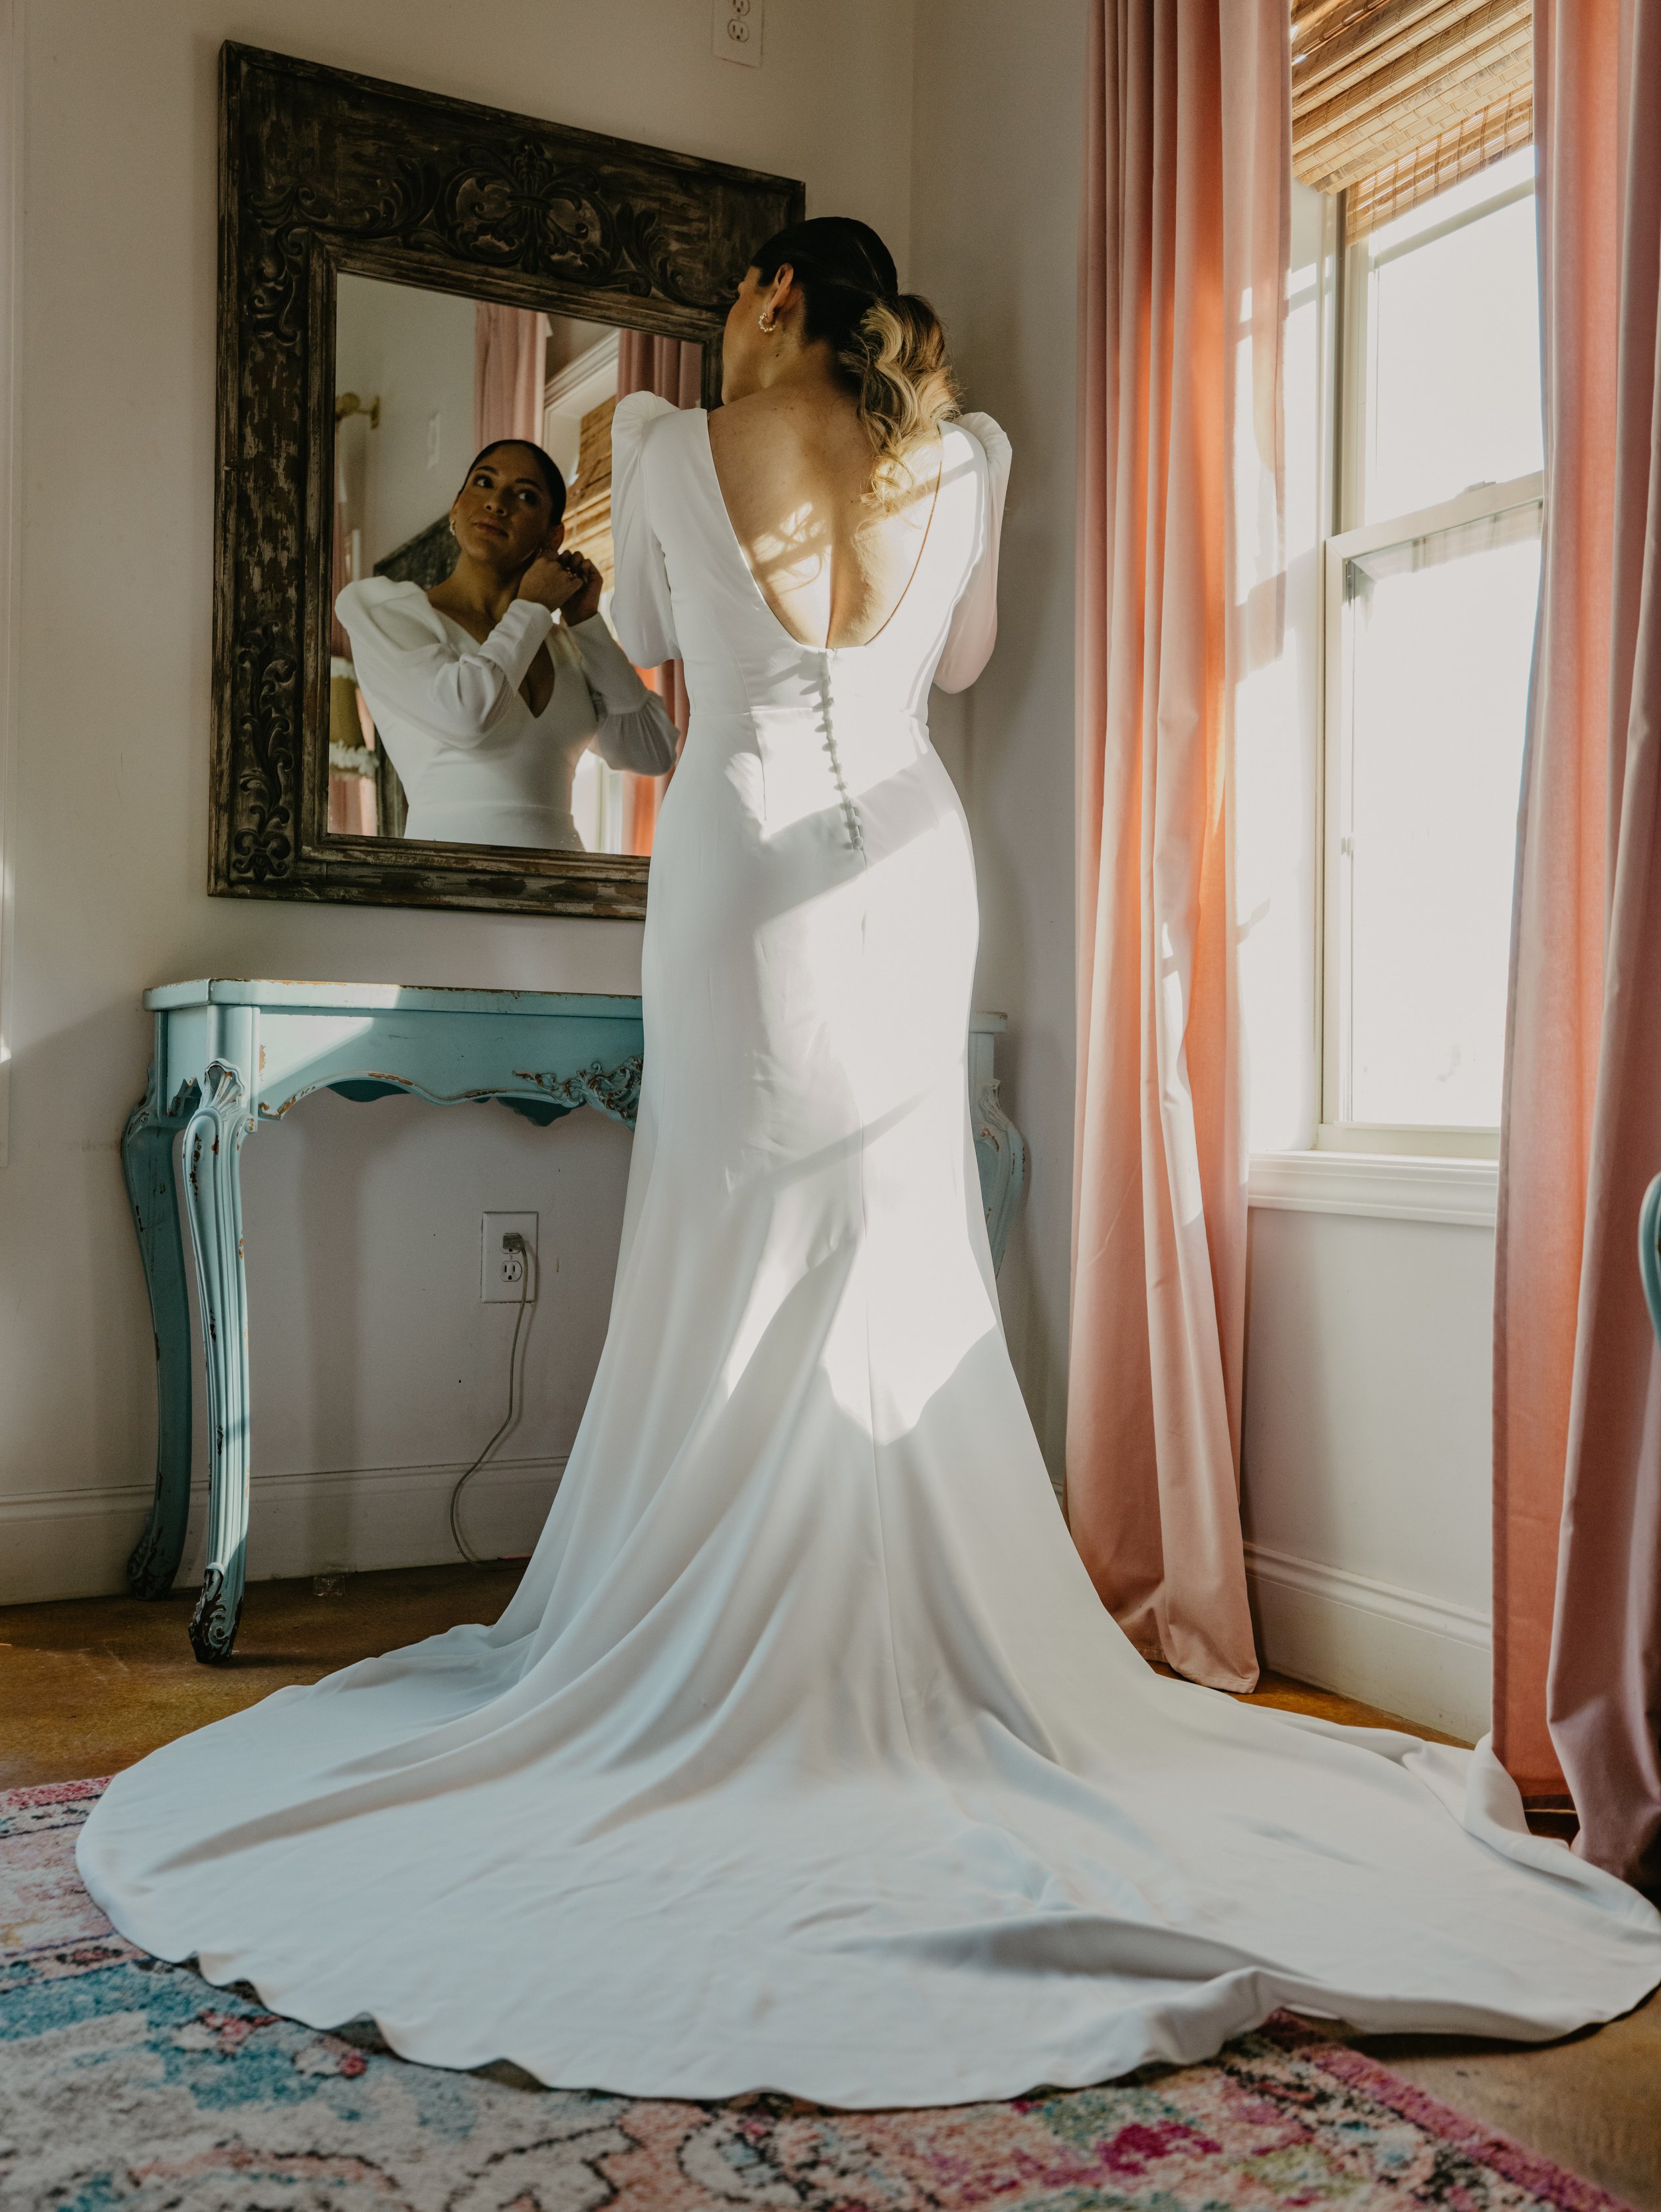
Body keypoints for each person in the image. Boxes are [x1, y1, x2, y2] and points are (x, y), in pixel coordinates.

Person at [79, 219, 1661, 2109]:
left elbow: (650, 644)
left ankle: (731, 1606)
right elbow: (964, 655)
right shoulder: (965, 453)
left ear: (761, 301)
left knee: (737, 1231)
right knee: (897, 1241)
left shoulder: (668, 443)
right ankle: (907, 1601)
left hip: (744, 861)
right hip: (911, 869)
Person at [336, 437, 677, 851]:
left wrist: (585, 622)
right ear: (456, 506)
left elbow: (653, 751)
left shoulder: (565, 645)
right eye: (484, 483)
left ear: (553, 536)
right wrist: (532, 607)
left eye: (525, 496)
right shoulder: (386, 611)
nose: (498, 503)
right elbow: (466, 716)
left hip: (563, 897)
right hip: (441, 895)